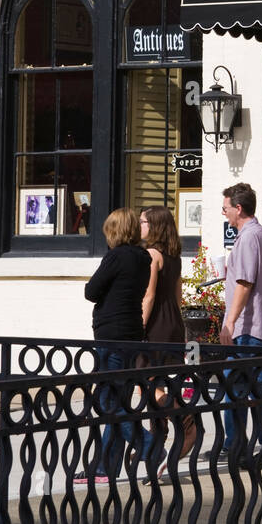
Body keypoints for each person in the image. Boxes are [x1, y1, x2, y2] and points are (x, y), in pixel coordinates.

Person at [78, 207, 154, 484]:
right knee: (116, 400)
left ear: (115, 231)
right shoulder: (143, 257)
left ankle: (148, 445)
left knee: (107, 401)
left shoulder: (116, 256)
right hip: (132, 332)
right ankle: (104, 468)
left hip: (112, 334)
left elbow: (91, 291)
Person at [219, 182, 262, 461]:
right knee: (259, 388)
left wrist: (229, 323)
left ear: (238, 208)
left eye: (225, 208)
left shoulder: (248, 238)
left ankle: (243, 446)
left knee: (238, 388)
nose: (224, 214)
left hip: (249, 327)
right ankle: (253, 445)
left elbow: (245, 283)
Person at [139, 205, 197, 476]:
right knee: (156, 383)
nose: (140, 226)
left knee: (146, 382)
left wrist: (139, 328)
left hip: (155, 327)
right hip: (172, 324)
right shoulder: (175, 256)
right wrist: (181, 330)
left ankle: (187, 423)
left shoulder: (152, 255)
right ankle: (157, 448)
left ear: (155, 226)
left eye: (144, 222)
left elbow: (149, 296)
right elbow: (178, 297)